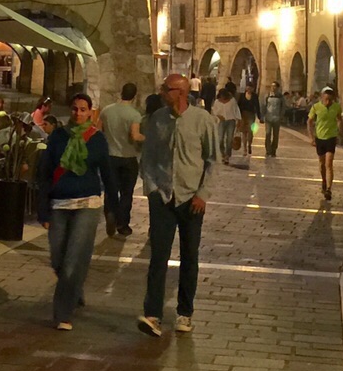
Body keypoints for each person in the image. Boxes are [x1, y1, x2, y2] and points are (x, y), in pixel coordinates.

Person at [137, 73, 217, 338]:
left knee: (189, 256)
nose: (162, 92)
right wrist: (151, 189)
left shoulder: (202, 120)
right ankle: (153, 314)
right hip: (163, 196)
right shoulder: (156, 120)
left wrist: (202, 194)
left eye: (167, 89)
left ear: (181, 93)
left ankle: (185, 312)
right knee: (158, 257)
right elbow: (147, 158)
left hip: (191, 198)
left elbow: (212, 160)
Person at [37, 92, 118, 331]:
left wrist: (114, 207)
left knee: (72, 261)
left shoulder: (97, 139)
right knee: (58, 259)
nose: (78, 113)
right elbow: (44, 174)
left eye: (83, 109)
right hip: (59, 204)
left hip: (87, 204)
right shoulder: (58, 137)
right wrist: (42, 210)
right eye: (74, 109)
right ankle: (76, 287)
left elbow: (108, 173)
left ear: (90, 112)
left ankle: (62, 313)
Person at [100, 81, 144, 237]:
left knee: (110, 190)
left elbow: (100, 130)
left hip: (110, 156)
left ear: (121, 92)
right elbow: (135, 135)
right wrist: (148, 138)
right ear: (134, 95)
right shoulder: (134, 114)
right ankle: (122, 224)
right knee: (126, 193)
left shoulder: (106, 111)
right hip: (128, 157)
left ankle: (110, 213)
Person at [307, 86, 341, 201]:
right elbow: (310, 121)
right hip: (320, 138)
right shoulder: (316, 107)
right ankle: (324, 180)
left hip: (331, 137)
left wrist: (339, 132)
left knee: (329, 164)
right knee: (322, 164)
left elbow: (339, 119)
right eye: (326, 99)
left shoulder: (336, 107)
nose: (328, 102)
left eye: (330, 100)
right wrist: (311, 137)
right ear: (322, 98)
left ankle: (329, 189)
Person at [211, 88, 241, 163]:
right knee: (220, 139)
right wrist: (218, 116)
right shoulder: (217, 102)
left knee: (229, 139)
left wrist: (239, 120)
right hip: (221, 121)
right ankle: (222, 154)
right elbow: (214, 111)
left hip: (231, 121)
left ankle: (227, 155)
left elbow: (236, 110)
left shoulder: (232, 101)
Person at [263, 81, 285, 157]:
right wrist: (262, 115)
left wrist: (281, 116)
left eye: (274, 86)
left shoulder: (280, 97)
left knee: (275, 135)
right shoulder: (267, 96)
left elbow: (283, 107)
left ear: (277, 87)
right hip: (268, 118)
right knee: (268, 133)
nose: (273, 88)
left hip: (276, 118)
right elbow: (264, 106)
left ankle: (273, 150)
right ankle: (268, 150)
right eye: (272, 86)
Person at [238, 85, 262, 156]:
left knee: (250, 132)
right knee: (244, 132)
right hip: (243, 115)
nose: (249, 89)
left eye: (250, 88)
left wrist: (259, 116)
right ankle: (244, 148)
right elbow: (238, 105)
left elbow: (257, 106)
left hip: (251, 115)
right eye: (247, 88)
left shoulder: (255, 96)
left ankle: (249, 145)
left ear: (252, 89)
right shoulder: (242, 96)